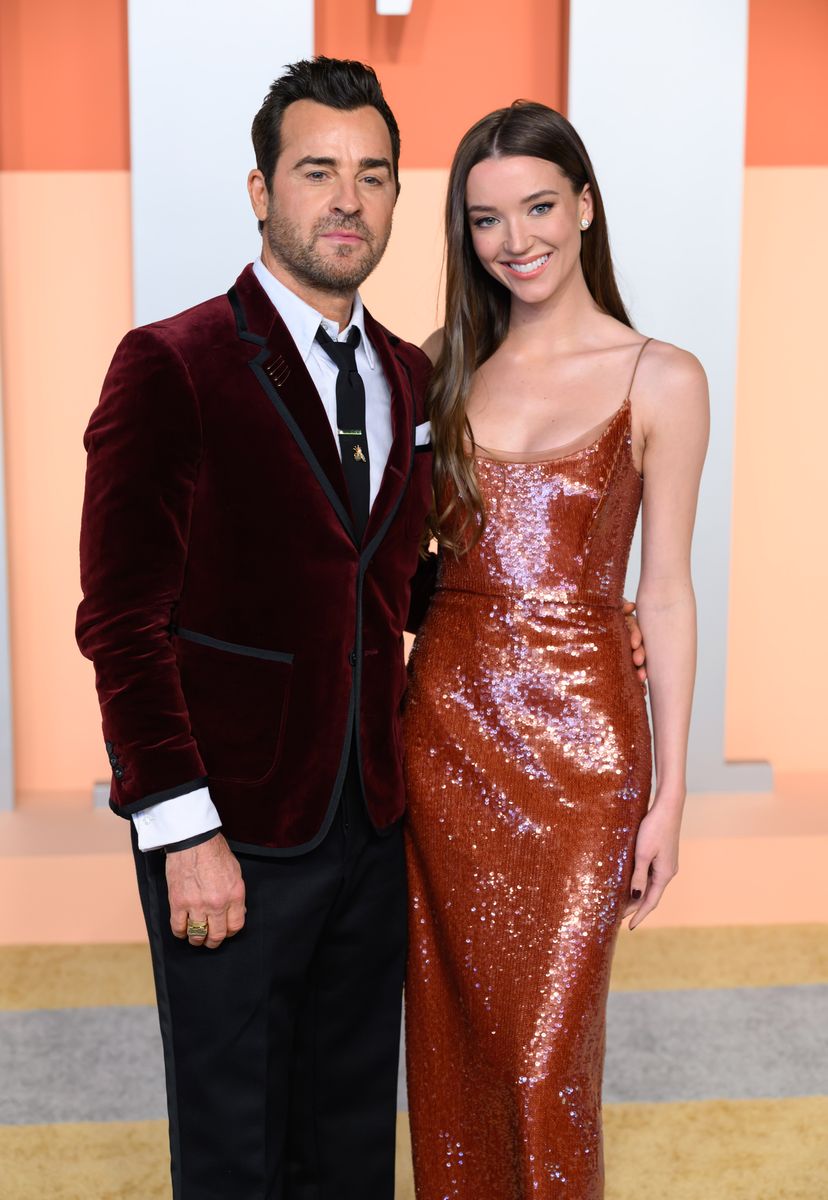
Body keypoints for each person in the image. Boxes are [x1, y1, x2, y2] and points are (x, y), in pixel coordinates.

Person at [76, 57, 435, 1199]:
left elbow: (397, 588)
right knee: (235, 1153)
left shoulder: (411, 377)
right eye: (317, 170)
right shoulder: (170, 364)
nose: (347, 199)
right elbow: (122, 621)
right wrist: (181, 831)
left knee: (346, 1147)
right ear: (259, 189)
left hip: (372, 826)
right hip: (228, 830)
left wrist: (563, 623)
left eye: (372, 175)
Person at [403, 101, 708, 1198]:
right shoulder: (438, 362)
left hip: (584, 758)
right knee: (453, 1050)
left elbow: (664, 593)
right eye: (486, 219)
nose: (515, 238)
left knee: (545, 1068)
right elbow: (396, 559)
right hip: (442, 735)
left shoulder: (662, 376)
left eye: (538, 205)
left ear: (585, 206)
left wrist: (672, 792)